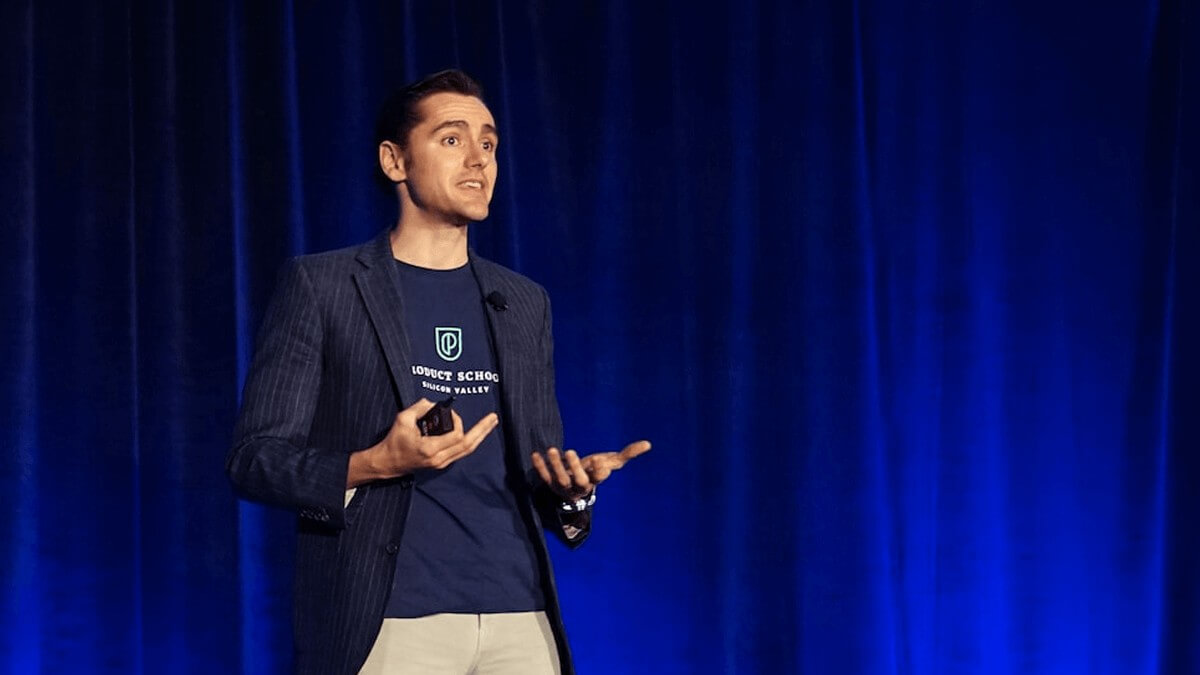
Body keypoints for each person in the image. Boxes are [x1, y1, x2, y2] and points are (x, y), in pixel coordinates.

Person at [226, 69, 650, 674]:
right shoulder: (324, 286)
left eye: (489, 142)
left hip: (521, 619)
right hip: (391, 622)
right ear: (394, 160)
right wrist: (375, 463)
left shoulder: (523, 300)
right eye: (452, 139)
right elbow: (254, 461)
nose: (479, 159)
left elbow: (539, 471)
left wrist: (571, 492)